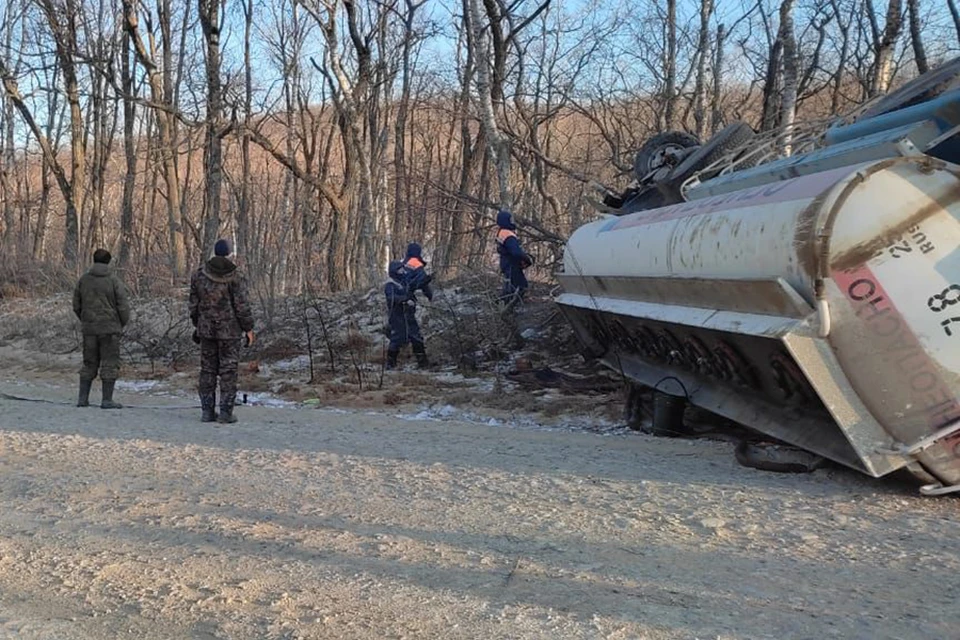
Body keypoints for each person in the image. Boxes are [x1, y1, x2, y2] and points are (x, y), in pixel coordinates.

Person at [189, 239, 255, 424]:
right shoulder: (237, 277)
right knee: (228, 371)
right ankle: (226, 412)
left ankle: (207, 412)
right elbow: (242, 307)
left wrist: (198, 324)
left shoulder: (199, 276)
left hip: (206, 331)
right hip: (230, 332)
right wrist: (248, 328)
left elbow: (193, 305)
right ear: (228, 253)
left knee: (207, 370)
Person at [73, 249, 131, 409]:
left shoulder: (83, 280)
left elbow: (76, 305)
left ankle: (82, 399)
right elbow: (123, 306)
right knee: (110, 363)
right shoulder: (114, 281)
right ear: (109, 261)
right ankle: (107, 400)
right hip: (110, 329)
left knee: (89, 362)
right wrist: (121, 323)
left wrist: (86, 320)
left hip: (89, 329)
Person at [384, 260, 429, 370]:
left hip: (409, 315)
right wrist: (404, 300)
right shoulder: (390, 284)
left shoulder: (405, 283)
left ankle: (423, 363)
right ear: (394, 271)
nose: (402, 271)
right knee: (397, 338)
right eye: (400, 269)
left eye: (402, 269)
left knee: (416, 337)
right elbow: (391, 298)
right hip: (397, 316)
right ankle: (390, 363)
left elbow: (412, 291)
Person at [495, 209, 533, 311]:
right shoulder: (508, 234)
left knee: (510, 285)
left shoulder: (501, 232)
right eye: (510, 219)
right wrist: (526, 259)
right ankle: (509, 308)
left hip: (506, 263)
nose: (512, 221)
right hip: (511, 264)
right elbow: (515, 252)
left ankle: (503, 305)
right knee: (519, 286)